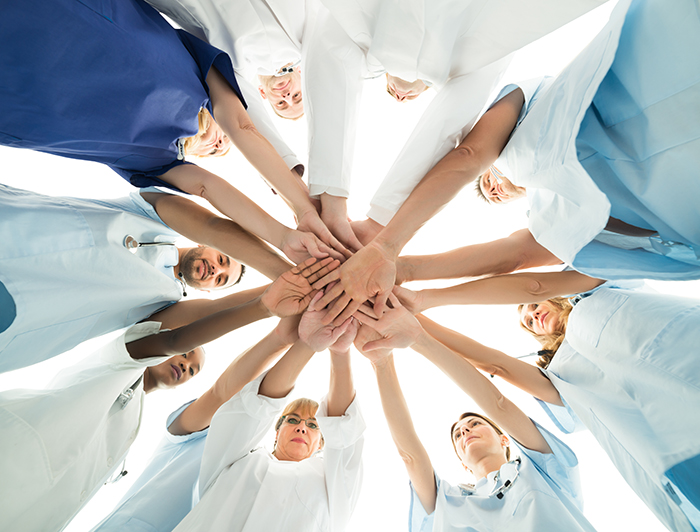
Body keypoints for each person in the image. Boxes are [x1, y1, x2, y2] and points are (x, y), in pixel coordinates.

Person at [321, 0, 700, 321]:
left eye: (489, 180)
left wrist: (386, 242)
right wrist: (401, 270)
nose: (495, 186)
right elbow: (518, 263)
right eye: (496, 194)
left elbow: (468, 156)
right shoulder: (554, 217)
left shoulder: (530, 100)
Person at [0, 256, 334, 532]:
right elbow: (216, 388)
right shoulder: (120, 368)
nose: (186, 366)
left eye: (192, 370)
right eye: (189, 357)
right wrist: (280, 322)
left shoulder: (130, 432)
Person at [0, 0, 347, 263]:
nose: (216, 143)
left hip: (16, 97)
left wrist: (284, 237)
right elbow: (244, 127)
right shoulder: (202, 73)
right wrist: (304, 207)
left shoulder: (155, 160)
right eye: (221, 141)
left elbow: (207, 187)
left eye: (213, 153)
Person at [382, 275, 700, 532]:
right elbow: (494, 366)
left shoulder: (597, 290)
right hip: (676, 442)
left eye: (533, 307)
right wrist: (412, 327)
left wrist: (416, 311)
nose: (533, 314)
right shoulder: (561, 374)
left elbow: (533, 280)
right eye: (529, 322)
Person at [302, 0, 606, 251]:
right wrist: (370, 219)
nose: (400, 94)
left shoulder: (361, 26)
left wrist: (343, 207)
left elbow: (328, 48)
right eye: (403, 97)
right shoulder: (483, 52)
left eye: (392, 92)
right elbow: (451, 127)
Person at [353, 294, 597, 532]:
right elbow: (410, 456)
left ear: (504, 439)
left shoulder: (542, 470)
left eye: (473, 424)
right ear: (463, 464)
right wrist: (381, 362)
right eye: (458, 435)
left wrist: (418, 338)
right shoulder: (447, 501)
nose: (465, 431)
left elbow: (497, 404)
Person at [0, 183, 303, 372]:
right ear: (207, 246)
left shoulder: (165, 303)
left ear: (210, 290)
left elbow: (210, 314)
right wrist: (289, 269)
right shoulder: (150, 215)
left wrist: (294, 284)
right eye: (222, 259)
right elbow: (210, 224)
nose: (216, 270)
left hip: (18, 314)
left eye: (221, 280)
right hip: (13, 230)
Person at [171, 291, 364, 532]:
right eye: (293, 419)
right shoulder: (238, 461)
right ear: (277, 429)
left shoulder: (329, 488)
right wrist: (307, 344)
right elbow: (256, 406)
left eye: (313, 425)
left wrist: (340, 350)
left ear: (322, 444)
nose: (302, 427)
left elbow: (343, 434)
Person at [90, 314, 302, 532]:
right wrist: (281, 339)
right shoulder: (186, 432)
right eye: (185, 354)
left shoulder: (250, 459)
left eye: (192, 369)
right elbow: (220, 393)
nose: (185, 364)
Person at [145, 0, 308, 121]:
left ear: (263, 94)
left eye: (281, 103)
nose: (286, 96)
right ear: (302, 75)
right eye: (296, 95)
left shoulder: (232, 69)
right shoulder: (300, 39)